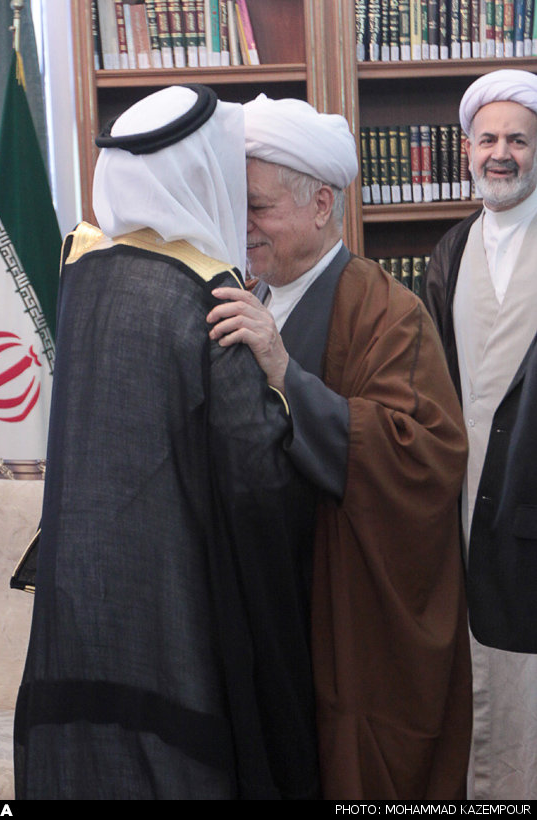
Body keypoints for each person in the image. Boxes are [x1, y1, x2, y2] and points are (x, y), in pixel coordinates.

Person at [13, 84, 320, 800]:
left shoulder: (83, 272)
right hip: (171, 612)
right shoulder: (210, 295)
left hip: (79, 605)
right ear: (201, 173)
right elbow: (258, 475)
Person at [206, 94, 472, 800]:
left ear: (321, 205)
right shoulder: (246, 298)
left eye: (258, 208)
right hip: (265, 609)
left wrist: (285, 373)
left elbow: (423, 456)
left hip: (343, 616)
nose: (243, 226)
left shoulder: (388, 310)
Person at [423, 69, 537, 800]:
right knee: (477, 678)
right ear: (466, 149)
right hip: (463, 502)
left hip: (531, 494)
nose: (502, 154)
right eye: (488, 139)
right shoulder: (451, 250)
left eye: (518, 140)